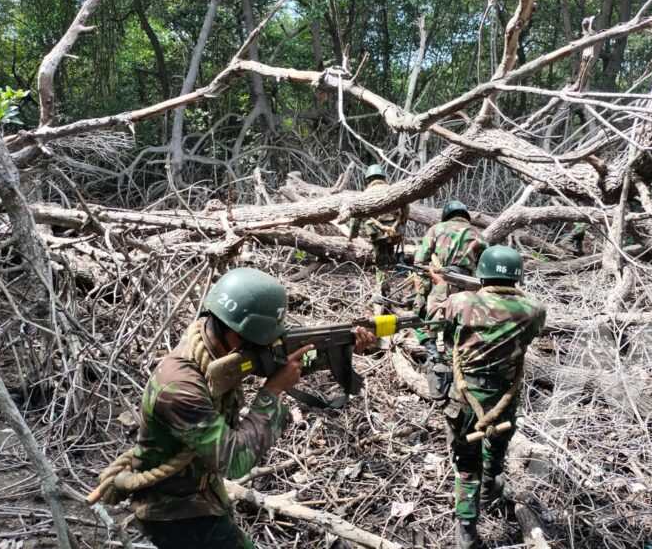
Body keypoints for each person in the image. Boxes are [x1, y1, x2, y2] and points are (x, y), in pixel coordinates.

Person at [95, 268, 375, 549]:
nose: (266, 346)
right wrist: (272, 392)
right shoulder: (179, 386)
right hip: (174, 511)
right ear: (237, 333)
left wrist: (342, 348)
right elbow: (235, 461)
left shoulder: (212, 343)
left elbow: (284, 359)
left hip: (202, 494)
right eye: (261, 340)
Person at [427, 246, 546, 549]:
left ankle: (467, 529)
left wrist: (440, 286)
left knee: (467, 463)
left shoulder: (461, 302)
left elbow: (432, 319)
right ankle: (491, 488)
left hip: (466, 399)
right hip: (504, 398)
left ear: (482, 272)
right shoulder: (534, 309)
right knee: (496, 447)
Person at [412, 200, 486, 387]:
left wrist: (432, 276)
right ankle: (460, 365)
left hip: (442, 281)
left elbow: (419, 262)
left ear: (446, 215)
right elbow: (484, 268)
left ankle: (434, 360)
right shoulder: (478, 234)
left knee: (427, 320)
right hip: (469, 284)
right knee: (461, 324)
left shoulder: (436, 229)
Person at [348, 164, 409, 312]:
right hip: (394, 233)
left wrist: (352, 235)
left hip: (377, 234)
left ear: (368, 179)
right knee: (389, 260)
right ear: (383, 177)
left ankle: (381, 297)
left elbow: (355, 216)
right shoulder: (393, 190)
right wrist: (401, 223)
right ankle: (387, 293)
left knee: (381, 264)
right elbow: (406, 208)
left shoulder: (365, 195)